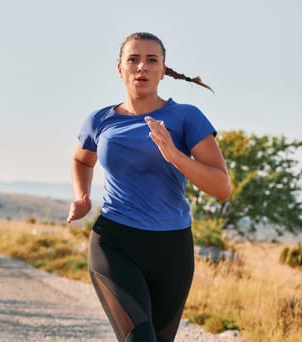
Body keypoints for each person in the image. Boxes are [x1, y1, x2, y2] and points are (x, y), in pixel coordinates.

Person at [67, 32, 231, 342]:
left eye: (151, 60)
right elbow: (82, 160)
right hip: (114, 241)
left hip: (172, 250)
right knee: (140, 338)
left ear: (163, 69)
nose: (142, 66)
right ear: (120, 68)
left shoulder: (186, 118)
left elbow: (222, 188)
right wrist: (82, 196)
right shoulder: (100, 120)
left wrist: (175, 156)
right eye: (133, 59)